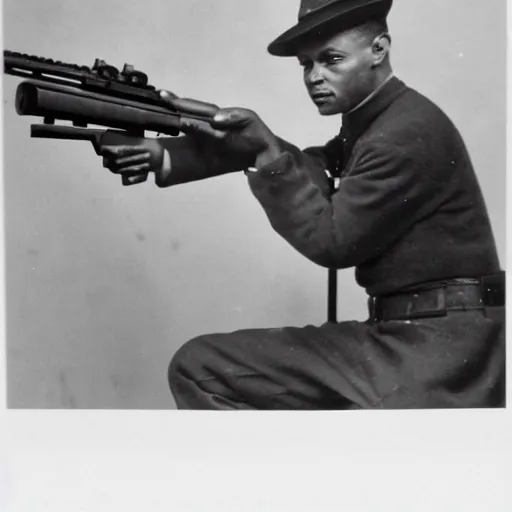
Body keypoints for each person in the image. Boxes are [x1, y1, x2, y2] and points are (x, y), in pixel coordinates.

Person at [100, 0, 505, 410]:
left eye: (331, 60)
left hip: (436, 354)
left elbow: (331, 242)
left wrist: (264, 150)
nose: (314, 77)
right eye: (305, 65)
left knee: (200, 368)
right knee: (210, 367)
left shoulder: (401, 134)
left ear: (379, 49)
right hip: (417, 338)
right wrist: (165, 153)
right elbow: (311, 166)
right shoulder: (384, 120)